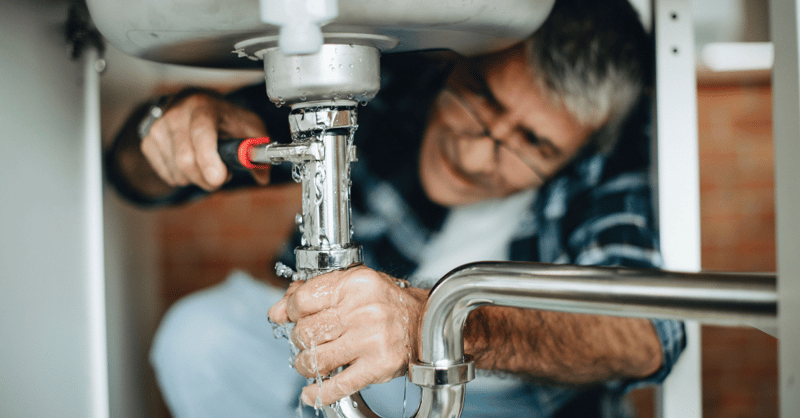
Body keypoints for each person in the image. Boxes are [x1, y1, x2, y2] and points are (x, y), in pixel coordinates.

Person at [105, 0, 685, 416]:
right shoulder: (393, 85)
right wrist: (170, 128)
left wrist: (433, 325)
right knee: (199, 339)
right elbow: (135, 177)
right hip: (341, 367)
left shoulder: (610, 157)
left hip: (505, 394)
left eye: (533, 144)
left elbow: (645, 335)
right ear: (455, 63)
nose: (477, 152)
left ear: (577, 151)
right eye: (480, 97)